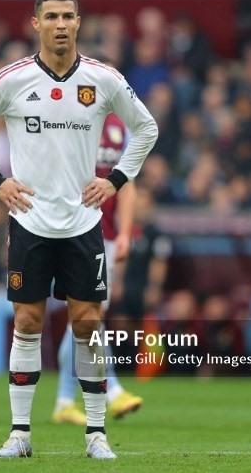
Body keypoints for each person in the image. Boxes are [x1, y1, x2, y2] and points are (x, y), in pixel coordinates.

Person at [0, 0, 158, 460]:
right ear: (36, 23)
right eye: (52, 17)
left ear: (79, 22)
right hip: (29, 219)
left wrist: (116, 180)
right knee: (27, 321)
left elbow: (147, 127)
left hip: (83, 223)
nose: (61, 24)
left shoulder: (103, 80)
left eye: (68, 16)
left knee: (88, 323)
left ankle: (96, 434)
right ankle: (20, 434)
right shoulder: (13, 79)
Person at [52, 113, 143, 426]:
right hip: (73, 231)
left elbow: (127, 185)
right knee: (86, 315)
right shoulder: (70, 121)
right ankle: (112, 389)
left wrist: (125, 232)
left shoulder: (120, 129)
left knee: (85, 318)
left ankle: (65, 400)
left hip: (103, 236)